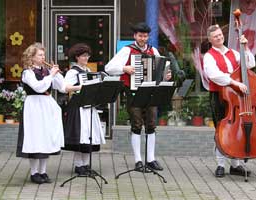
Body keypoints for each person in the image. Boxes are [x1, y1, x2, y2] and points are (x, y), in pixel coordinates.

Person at [105, 22, 171, 171]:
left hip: (150, 91)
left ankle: (151, 159)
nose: (143, 38)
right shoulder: (127, 51)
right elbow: (108, 68)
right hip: (133, 91)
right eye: (140, 36)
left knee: (151, 124)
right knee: (136, 124)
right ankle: (138, 160)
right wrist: (124, 68)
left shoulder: (153, 50)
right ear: (135, 36)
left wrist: (166, 75)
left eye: (145, 36)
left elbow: (161, 69)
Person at [16, 42, 79, 184]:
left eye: (43, 54)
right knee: (35, 138)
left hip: (47, 105)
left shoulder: (46, 71)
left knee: (46, 137)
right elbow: (38, 87)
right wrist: (51, 75)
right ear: (31, 57)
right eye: (39, 55)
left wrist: (58, 76)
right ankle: (34, 173)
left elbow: (62, 87)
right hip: (34, 106)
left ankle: (43, 171)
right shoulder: (28, 72)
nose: (42, 57)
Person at [203, 24, 256, 178]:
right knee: (221, 129)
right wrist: (235, 83)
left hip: (236, 97)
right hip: (219, 95)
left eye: (220, 35)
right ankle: (220, 165)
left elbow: (250, 64)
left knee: (236, 128)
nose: (219, 38)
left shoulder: (233, 52)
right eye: (215, 36)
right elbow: (214, 75)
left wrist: (245, 48)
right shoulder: (209, 56)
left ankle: (235, 165)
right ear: (210, 40)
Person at [63, 43, 106, 175]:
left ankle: (86, 165)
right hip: (78, 107)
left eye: (87, 55)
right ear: (77, 57)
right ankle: (78, 165)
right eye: (83, 56)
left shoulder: (88, 71)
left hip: (89, 106)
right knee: (80, 136)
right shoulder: (72, 72)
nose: (86, 58)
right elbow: (65, 87)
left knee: (89, 136)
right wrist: (80, 87)